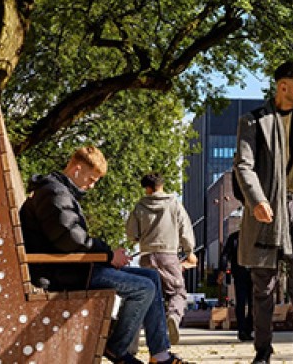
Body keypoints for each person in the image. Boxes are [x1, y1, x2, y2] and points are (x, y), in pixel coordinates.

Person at [19, 146, 191, 364]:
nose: (91, 186)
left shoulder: (57, 192)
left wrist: (107, 255)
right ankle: (116, 349)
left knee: (152, 277)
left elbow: (71, 237)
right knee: (143, 288)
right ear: (77, 168)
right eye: (91, 179)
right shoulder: (53, 193)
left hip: (74, 266)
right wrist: (109, 255)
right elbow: (70, 239)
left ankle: (159, 354)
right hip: (63, 272)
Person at [233, 60, 293, 364]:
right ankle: (263, 350)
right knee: (264, 283)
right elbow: (243, 166)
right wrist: (257, 200)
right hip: (267, 211)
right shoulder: (253, 121)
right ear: (282, 86)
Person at [126, 172, 197, 345]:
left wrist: (140, 237)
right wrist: (189, 251)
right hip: (168, 255)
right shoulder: (174, 204)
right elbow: (185, 230)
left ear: (148, 188)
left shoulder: (139, 206)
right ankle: (173, 316)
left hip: (146, 257)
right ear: (161, 185)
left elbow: (131, 233)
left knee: (147, 296)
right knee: (177, 291)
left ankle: (132, 342)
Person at [222, 227, 255, 341]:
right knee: (248, 303)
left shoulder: (235, 237)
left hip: (244, 273)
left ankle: (244, 329)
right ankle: (244, 330)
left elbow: (225, 255)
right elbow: (225, 255)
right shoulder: (248, 237)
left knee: (245, 302)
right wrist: (222, 269)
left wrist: (222, 269)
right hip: (248, 273)